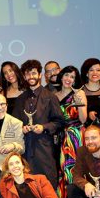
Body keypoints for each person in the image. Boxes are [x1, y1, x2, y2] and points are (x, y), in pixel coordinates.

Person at [12, 59, 65, 188]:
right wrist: (21, 128)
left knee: (48, 185)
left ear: (40, 75)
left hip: (44, 148)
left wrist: (44, 127)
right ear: (24, 76)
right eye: (28, 74)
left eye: (34, 73)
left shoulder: (50, 97)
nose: (31, 77)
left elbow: (60, 122)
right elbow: (13, 124)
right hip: (25, 150)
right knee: (28, 186)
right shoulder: (20, 99)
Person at [54, 66, 87, 198]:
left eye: (72, 77)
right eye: (67, 75)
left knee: (75, 171)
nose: (69, 79)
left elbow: (84, 119)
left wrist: (78, 102)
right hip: (60, 137)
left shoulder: (79, 94)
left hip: (76, 135)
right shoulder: (53, 96)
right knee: (63, 172)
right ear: (61, 76)